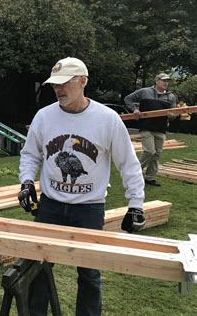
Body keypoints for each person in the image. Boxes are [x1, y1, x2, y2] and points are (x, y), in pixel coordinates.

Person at [18, 57, 145, 316]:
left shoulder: (107, 119)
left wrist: (136, 204)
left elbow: (128, 164)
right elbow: (30, 154)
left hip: (89, 209)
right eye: (55, 84)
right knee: (38, 268)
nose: (58, 89)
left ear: (83, 82)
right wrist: (26, 182)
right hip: (50, 207)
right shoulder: (44, 117)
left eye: (65, 83)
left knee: (89, 274)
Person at [124, 73, 177, 186]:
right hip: (146, 127)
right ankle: (134, 173)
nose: (166, 83)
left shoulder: (171, 97)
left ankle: (150, 177)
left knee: (157, 154)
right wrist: (134, 109)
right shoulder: (144, 91)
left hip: (161, 129)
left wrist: (172, 115)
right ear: (157, 81)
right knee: (149, 151)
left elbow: (174, 113)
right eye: (164, 80)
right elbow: (128, 99)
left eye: (167, 81)